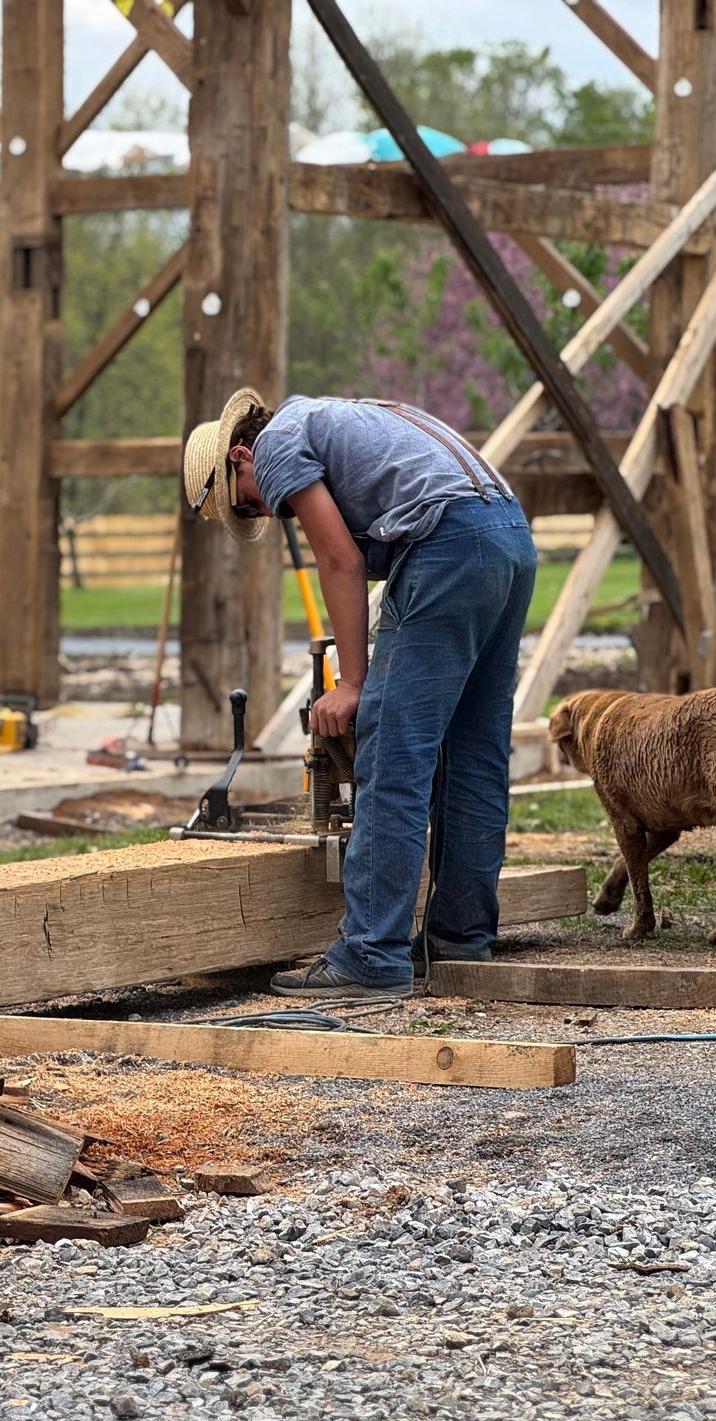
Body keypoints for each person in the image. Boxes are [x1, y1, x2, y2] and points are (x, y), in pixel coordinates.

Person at [182, 391, 537, 997]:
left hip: (449, 543)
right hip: (508, 538)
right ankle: (459, 938)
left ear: (242, 455)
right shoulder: (336, 419)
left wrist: (353, 683)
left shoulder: (276, 448)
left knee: (394, 755)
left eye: (247, 503)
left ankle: (371, 953)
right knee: (475, 755)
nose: (267, 514)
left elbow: (340, 561)